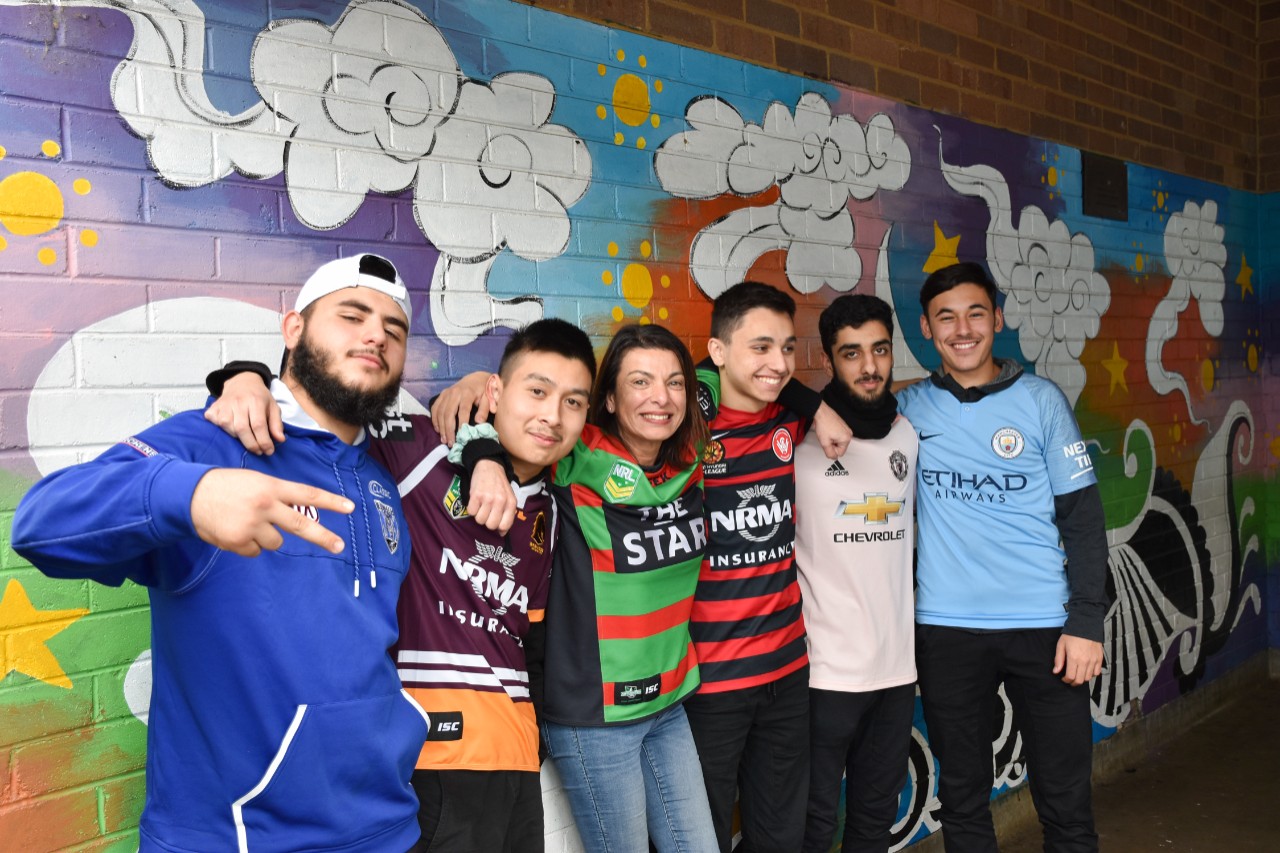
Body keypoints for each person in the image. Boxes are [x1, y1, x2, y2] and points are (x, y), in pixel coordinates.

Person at [12, 253, 428, 853]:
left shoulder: (382, 480)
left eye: (394, 329)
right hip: (232, 836)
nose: (376, 336)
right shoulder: (212, 442)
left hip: (387, 830)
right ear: (294, 329)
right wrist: (192, 494)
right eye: (352, 315)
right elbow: (41, 522)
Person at [206, 318, 597, 853]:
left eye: (573, 403)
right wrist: (246, 377)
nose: (552, 416)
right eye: (537, 392)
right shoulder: (421, 451)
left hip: (515, 766)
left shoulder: (551, 510)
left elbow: (530, 646)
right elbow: (323, 409)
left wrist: (532, 747)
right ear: (495, 392)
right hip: (431, 760)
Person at [436, 324, 719, 853]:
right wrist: (478, 410)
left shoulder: (691, 453)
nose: (661, 397)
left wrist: (815, 407)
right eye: (640, 382)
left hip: (670, 702)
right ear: (607, 399)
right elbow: (499, 415)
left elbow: (750, 369)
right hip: (597, 716)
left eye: (675, 382)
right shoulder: (576, 455)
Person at [898, 261, 1106, 853]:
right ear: (926, 328)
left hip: (1047, 629)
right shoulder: (907, 409)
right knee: (963, 798)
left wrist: (1086, 622)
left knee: (1065, 799)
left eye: (975, 314)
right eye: (946, 318)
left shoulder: (1041, 401)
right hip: (947, 631)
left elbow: (1083, 520)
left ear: (998, 318)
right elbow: (836, 411)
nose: (962, 329)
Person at [683, 281, 818, 853]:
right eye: (760, 347)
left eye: (787, 348)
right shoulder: (679, 429)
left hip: (788, 671)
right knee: (699, 836)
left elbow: (867, 409)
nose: (778, 363)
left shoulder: (792, 422)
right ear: (717, 352)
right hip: (710, 680)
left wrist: (817, 406)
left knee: (781, 834)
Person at [794, 294, 918, 853]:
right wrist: (812, 408)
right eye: (851, 353)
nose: (869, 366)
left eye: (879, 350)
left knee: (873, 822)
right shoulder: (794, 440)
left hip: (895, 671)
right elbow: (717, 373)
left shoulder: (909, 433)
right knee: (813, 826)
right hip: (823, 675)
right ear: (827, 359)